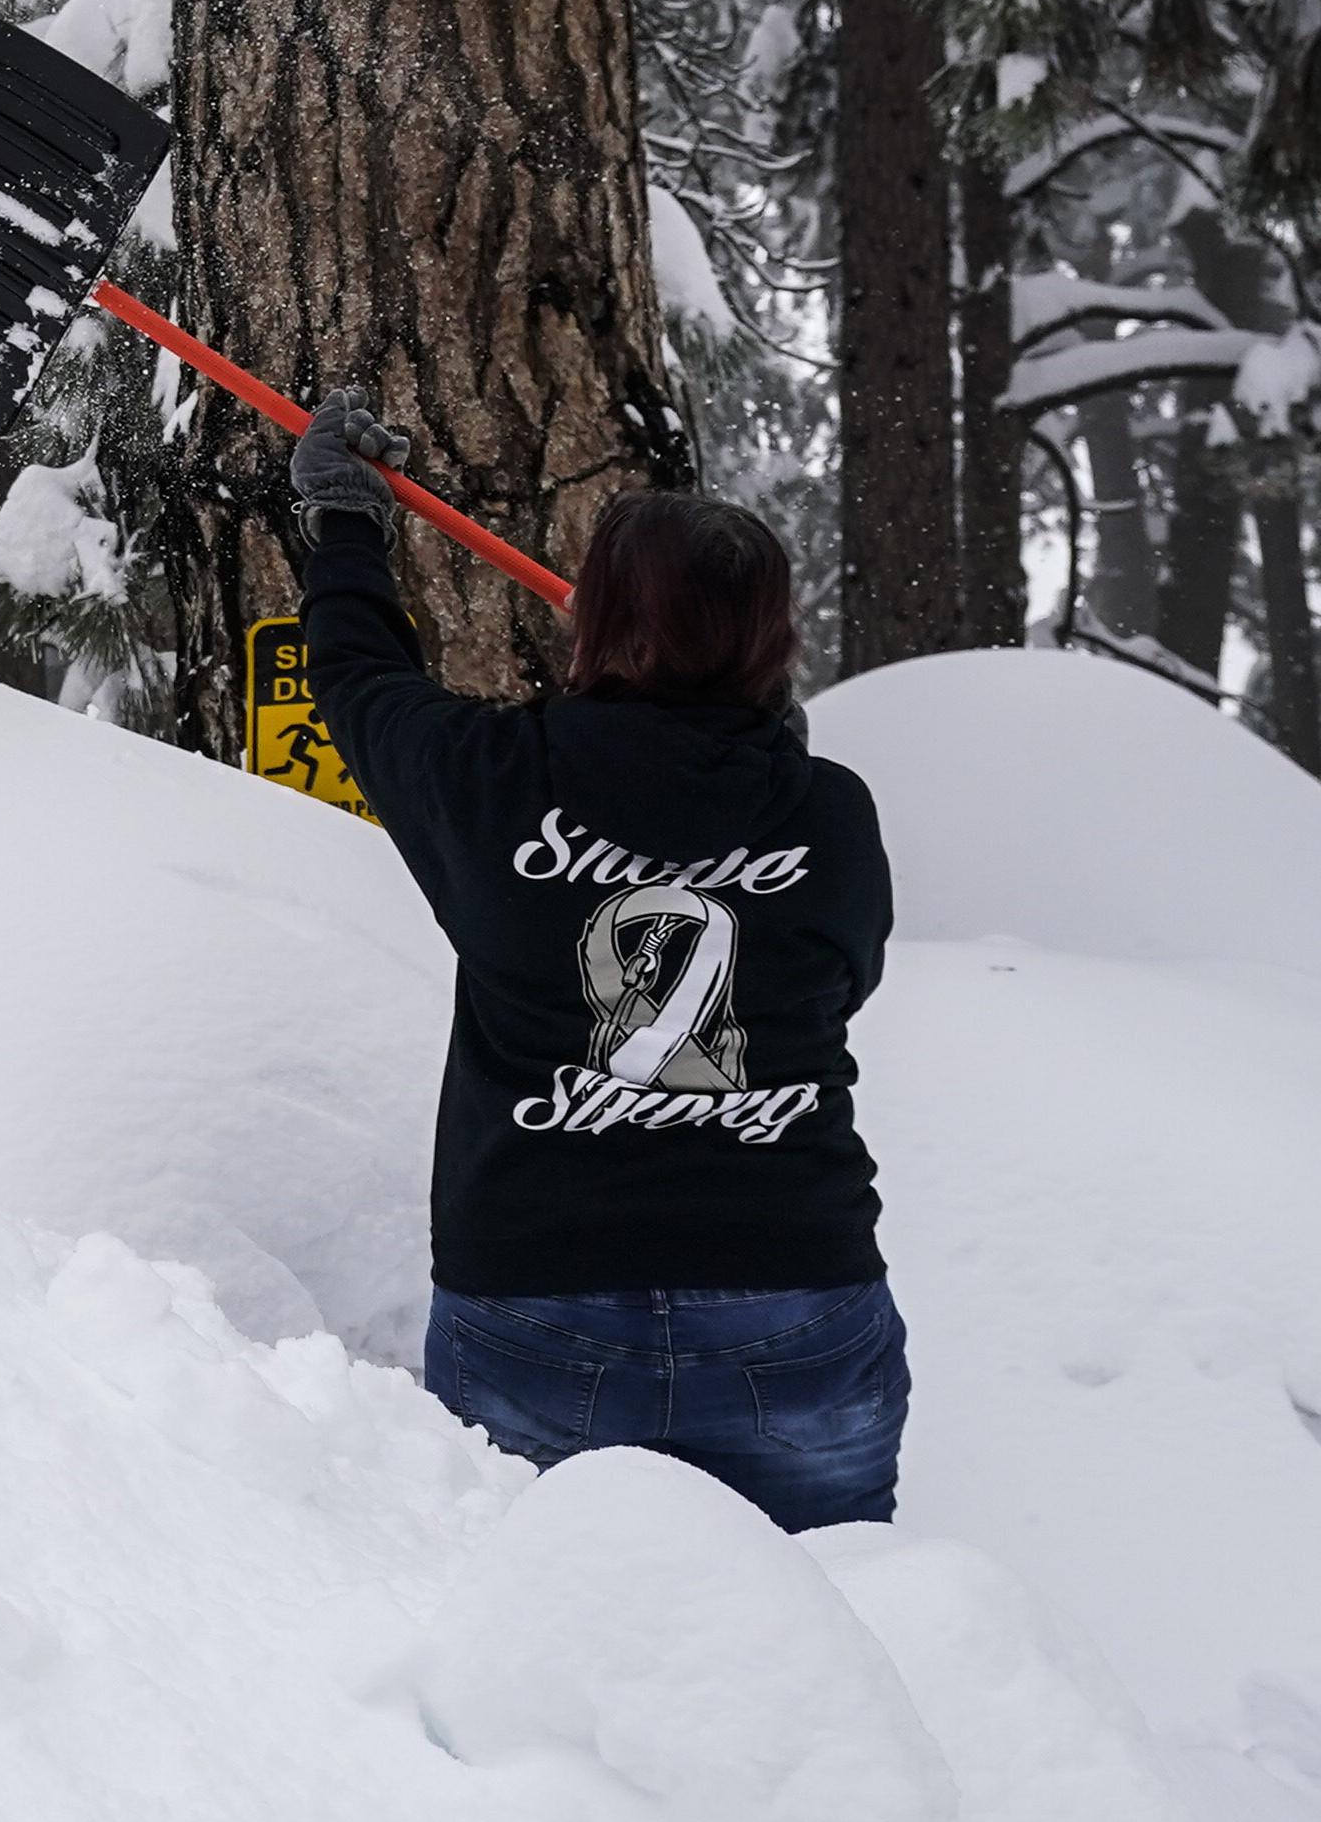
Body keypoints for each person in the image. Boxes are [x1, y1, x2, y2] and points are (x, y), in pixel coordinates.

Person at [293, 397, 904, 1530]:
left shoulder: (490, 781)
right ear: (773, 641)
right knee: (833, 1640)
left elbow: (361, 682)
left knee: (546, 1662)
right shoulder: (828, 813)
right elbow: (844, 974)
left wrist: (345, 525)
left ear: (596, 623)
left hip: (537, 1304)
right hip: (791, 1301)